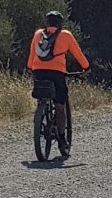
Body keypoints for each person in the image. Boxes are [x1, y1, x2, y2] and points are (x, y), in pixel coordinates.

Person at [28, 10, 89, 158]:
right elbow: (77, 53)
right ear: (60, 23)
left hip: (38, 72)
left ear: (47, 23)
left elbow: (31, 56)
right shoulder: (66, 35)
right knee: (60, 105)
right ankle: (62, 138)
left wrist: (31, 68)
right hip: (57, 74)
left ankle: (40, 115)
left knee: (42, 95)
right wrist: (86, 67)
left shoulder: (38, 34)